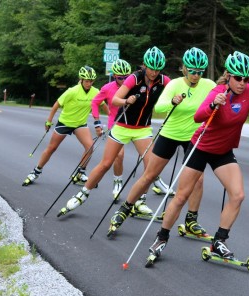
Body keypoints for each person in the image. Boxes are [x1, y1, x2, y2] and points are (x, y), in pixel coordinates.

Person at [147, 51, 249, 261]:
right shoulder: (218, 91)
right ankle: (161, 237)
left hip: (223, 151)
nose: (242, 83)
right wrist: (214, 104)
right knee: (181, 196)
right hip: (201, 147)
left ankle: (218, 242)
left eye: (246, 79)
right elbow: (198, 117)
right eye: (238, 78)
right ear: (229, 75)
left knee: (238, 195)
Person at [109, 47, 216, 236]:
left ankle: (191, 220)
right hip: (170, 134)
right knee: (150, 175)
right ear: (184, 68)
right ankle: (125, 209)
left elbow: (221, 96)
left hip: (193, 137)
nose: (196, 75)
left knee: (198, 180)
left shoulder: (209, 85)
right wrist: (172, 102)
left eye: (200, 72)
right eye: (192, 71)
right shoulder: (174, 84)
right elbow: (159, 107)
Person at [57, 46, 172, 217]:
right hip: (122, 127)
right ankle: (82, 194)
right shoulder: (134, 78)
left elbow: (177, 92)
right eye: (150, 67)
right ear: (144, 65)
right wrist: (127, 100)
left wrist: (177, 99)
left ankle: (139, 201)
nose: (154, 72)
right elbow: (116, 99)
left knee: (151, 166)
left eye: (157, 69)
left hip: (142, 129)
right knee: (106, 163)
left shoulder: (164, 81)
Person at [92, 59, 173, 202]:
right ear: (115, 76)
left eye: (125, 76)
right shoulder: (108, 87)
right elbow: (97, 102)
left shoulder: (135, 82)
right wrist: (97, 123)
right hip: (117, 122)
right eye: (119, 77)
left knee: (149, 159)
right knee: (119, 155)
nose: (123, 80)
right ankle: (117, 183)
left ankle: (154, 180)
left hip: (137, 126)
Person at [22, 66, 99, 186]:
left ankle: (80, 173)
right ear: (81, 79)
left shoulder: (95, 92)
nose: (89, 83)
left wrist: (112, 117)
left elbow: (102, 104)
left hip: (80, 124)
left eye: (91, 81)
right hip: (65, 123)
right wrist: (49, 121)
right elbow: (56, 105)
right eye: (87, 81)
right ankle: (36, 171)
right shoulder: (72, 91)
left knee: (90, 147)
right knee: (52, 148)